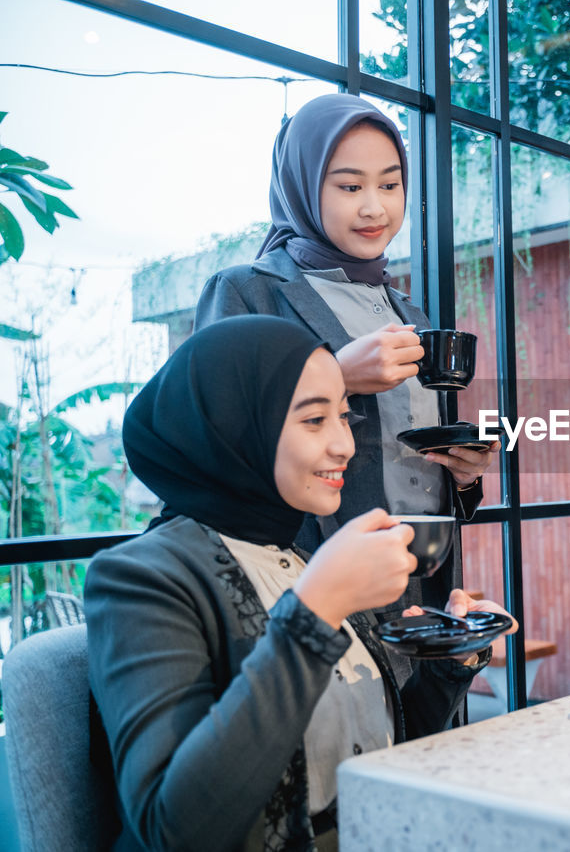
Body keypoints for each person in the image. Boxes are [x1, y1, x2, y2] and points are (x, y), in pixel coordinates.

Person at [86, 316, 514, 851]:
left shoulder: (300, 559)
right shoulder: (143, 578)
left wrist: (451, 664)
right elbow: (176, 830)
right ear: (234, 425)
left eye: (344, 417)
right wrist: (317, 611)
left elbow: (380, 755)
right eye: (314, 421)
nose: (344, 446)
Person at [194, 93, 493, 610]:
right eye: (350, 186)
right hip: (310, 579)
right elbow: (214, 445)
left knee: (429, 690)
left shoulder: (408, 313)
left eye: (391, 184)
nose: (375, 206)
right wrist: (336, 376)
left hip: (422, 576)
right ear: (303, 188)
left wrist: (463, 476)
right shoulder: (248, 292)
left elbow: (411, 463)